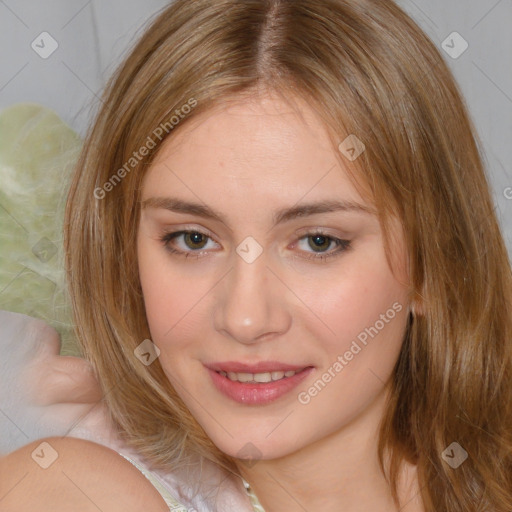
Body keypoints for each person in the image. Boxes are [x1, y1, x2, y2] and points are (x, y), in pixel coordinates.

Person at [2, 0, 511, 510]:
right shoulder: (69, 493)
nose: (245, 318)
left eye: (318, 242)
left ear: (434, 265)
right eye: (193, 239)